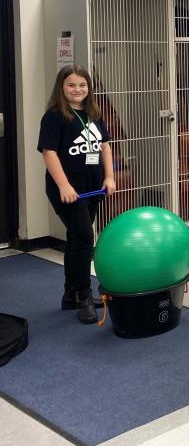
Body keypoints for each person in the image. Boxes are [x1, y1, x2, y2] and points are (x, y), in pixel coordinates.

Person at [38, 65, 116, 324]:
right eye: (71, 85)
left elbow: (104, 146)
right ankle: (84, 295)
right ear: (62, 87)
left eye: (82, 85)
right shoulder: (54, 116)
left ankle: (71, 294)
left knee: (76, 239)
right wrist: (63, 185)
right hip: (68, 191)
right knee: (84, 237)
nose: (77, 90)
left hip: (92, 187)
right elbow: (48, 153)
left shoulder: (94, 112)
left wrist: (109, 176)